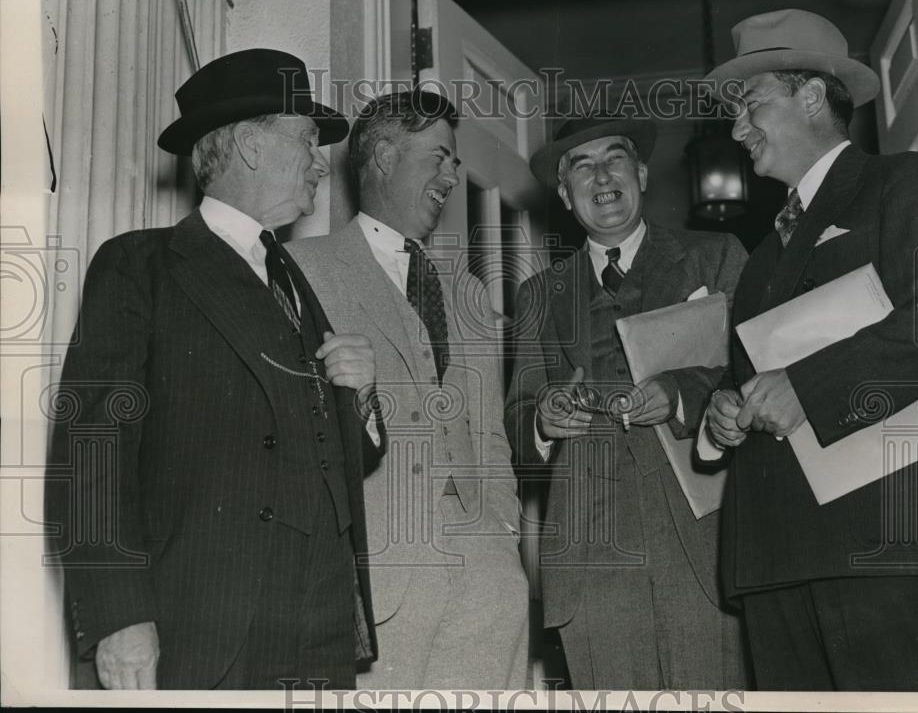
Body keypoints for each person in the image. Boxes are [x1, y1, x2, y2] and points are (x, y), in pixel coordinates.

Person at [45, 49, 379, 690]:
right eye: (308, 139)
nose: (321, 160)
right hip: (207, 624)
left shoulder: (294, 280)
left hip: (321, 622)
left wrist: (358, 397)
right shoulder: (143, 265)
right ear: (252, 147)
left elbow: (329, 456)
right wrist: (119, 618)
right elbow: (92, 450)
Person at [701, 8, 918, 690]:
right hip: (772, 557)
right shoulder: (760, 258)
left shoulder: (899, 182)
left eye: (750, 105)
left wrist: (807, 388)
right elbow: (755, 383)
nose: (737, 130)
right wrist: (726, 412)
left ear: (813, 96)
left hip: (878, 539)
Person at [287, 89, 528, 689]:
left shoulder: (468, 291)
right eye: (440, 157)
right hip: (377, 575)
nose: (453, 173)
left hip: (484, 573)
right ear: (386, 157)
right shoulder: (301, 269)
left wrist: (501, 534)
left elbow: (490, 431)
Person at [503, 116, 749, 690]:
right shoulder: (539, 293)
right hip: (590, 554)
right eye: (581, 167)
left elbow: (756, 368)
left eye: (614, 159)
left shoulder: (715, 256)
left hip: (701, 540)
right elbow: (514, 422)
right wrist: (542, 418)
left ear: (640, 173)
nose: (601, 175)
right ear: (566, 195)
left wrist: (682, 392)